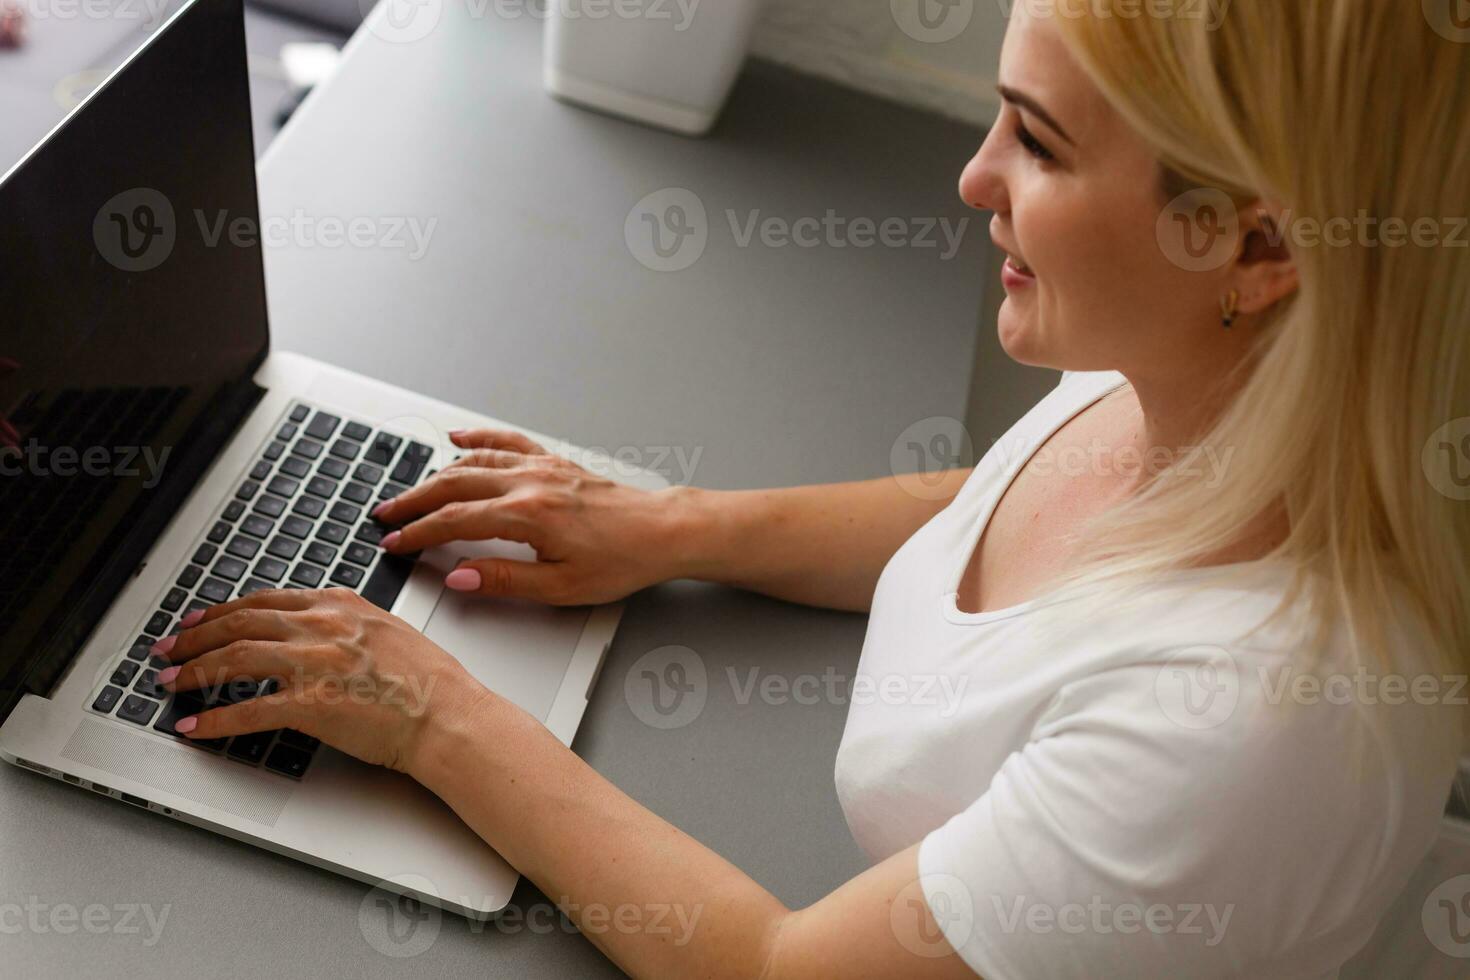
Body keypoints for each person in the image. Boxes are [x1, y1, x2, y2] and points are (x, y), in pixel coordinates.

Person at [149, 1, 1470, 975]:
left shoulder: (1238, 735)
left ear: (1255, 245)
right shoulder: (1206, 376)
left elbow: (776, 970)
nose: (971, 179)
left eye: (1041, 146)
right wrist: (675, 527)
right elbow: (1005, 498)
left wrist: (436, 715)